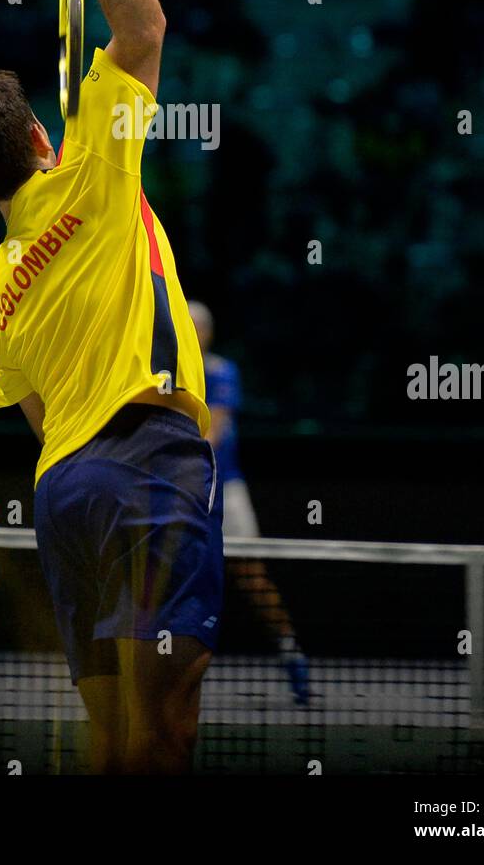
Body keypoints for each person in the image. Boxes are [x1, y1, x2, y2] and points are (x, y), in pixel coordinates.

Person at [0, 0, 223, 774]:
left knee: (108, 743)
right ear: (36, 140)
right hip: (151, 464)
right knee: (164, 736)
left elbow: (45, 427)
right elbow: (143, 30)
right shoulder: (91, 163)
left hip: (63, 493)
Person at [187, 301, 310, 706]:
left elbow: (215, 431)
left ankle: (291, 654)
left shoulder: (221, 372)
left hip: (226, 488)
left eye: (198, 327)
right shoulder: (166, 375)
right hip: (182, 490)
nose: (192, 332)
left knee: (252, 577)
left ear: (208, 332)